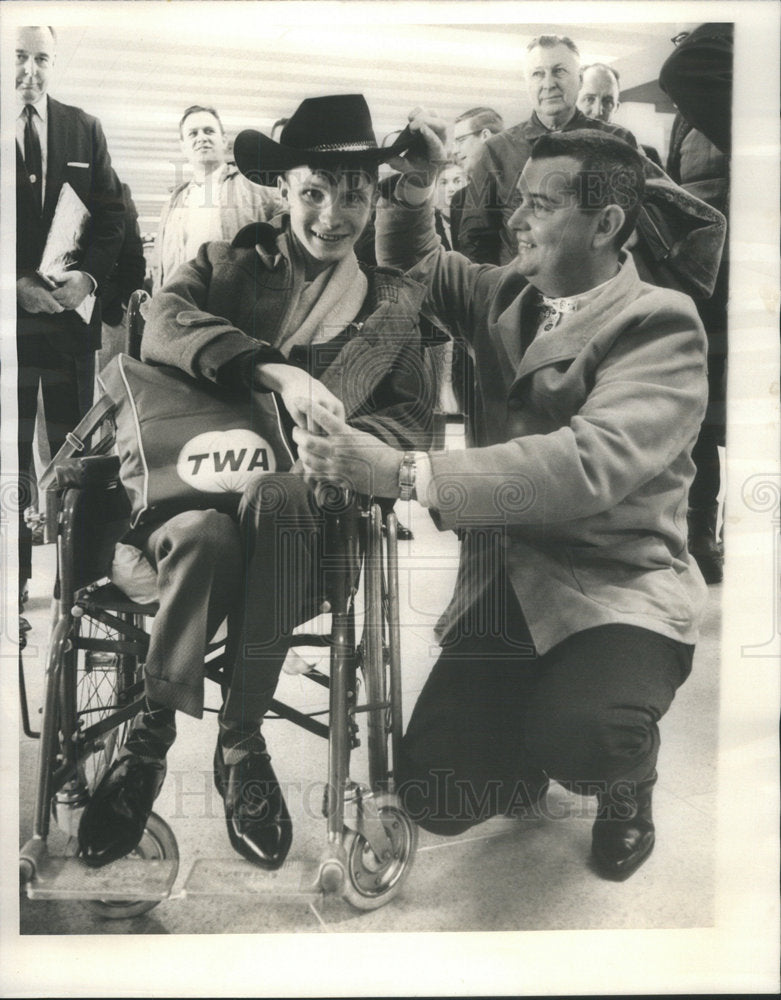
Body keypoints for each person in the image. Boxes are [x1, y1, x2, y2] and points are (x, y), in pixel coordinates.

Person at [294, 111, 710, 882]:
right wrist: (414, 189)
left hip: (614, 590)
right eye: (516, 200)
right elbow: (420, 260)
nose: (513, 219)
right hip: (507, 587)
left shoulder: (659, 323)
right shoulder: (512, 292)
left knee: (586, 737)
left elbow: (587, 462)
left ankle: (626, 787)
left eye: (540, 206)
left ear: (605, 222)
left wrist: (404, 473)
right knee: (438, 794)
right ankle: (529, 738)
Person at [77, 94, 434, 871]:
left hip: (308, 538)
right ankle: (153, 738)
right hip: (191, 511)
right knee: (205, 532)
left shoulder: (388, 308)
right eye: (312, 192)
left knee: (278, 495)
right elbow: (161, 323)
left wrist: (350, 448)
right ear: (282, 190)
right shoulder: (229, 263)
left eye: (352, 195)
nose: (331, 215)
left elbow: (416, 427)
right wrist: (270, 370)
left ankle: (237, 744)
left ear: (374, 196)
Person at [16, 25, 125, 609]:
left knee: (73, 454)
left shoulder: (83, 128)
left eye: (41, 59)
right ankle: (15, 583)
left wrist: (90, 278)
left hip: (65, 322)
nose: (30, 70)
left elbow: (112, 216)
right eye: (18, 56)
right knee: (9, 457)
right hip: (8, 329)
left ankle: (73, 579)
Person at [458, 34, 637, 265]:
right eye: (538, 73)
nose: (548, 83)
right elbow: (475, 237)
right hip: (522, 290)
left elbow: (634, 224)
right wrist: (495, 291)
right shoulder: (496, 150)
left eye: (559, 71)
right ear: (528, 83)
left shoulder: (617, 141)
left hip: (597, 289)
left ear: (580, 80)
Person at [660, 23, 733, 583]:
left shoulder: (741, 89)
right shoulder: (691, 111)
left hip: (747, 279)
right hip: (704, 281)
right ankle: (700, 532)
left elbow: (685, 66)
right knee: (700, 416)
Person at [153, 104, 284, 290]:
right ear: (183, 146)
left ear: (224, 140)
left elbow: (287, 244)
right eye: (193, 133)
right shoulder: (173, 203)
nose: (202, 138)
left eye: (209, 131)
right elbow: (160, 268)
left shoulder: (257, 186)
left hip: (238, 305)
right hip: (181, 307)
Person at [97, 182, 146, 370]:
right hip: (57, 312)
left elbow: (133, 255)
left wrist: (125, 303)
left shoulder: (119, 190)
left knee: (112, 389)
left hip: (111, 314)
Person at [577, 62, 663, 166]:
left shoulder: (647, 157)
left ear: (616, 108)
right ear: (573, 102)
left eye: (607, 101)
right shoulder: (556, 154)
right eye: (589, 99)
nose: (598, 111)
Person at [450, 107, 505, 251]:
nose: (455, 150)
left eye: (461, 140)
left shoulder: (526, 187)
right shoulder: (460, 199)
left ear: (485, 135)